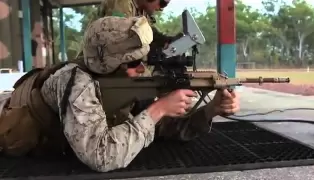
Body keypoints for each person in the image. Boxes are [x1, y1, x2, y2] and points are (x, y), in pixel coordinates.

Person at [0, 16, 240, 172]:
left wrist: (210, 110)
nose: (141, 69)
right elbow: (100, 156)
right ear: (109, 65)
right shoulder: (77, 83)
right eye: (133, 63)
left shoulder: (116, 79)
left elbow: (158, 129)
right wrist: (158, 109)